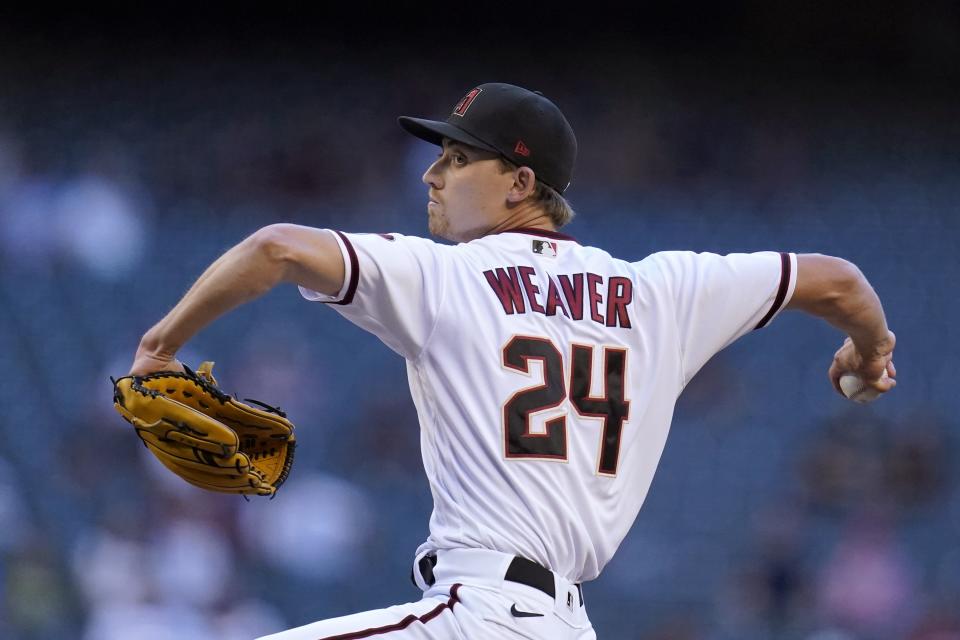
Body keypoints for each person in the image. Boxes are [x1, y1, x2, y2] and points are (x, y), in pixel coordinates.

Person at [128, 82, 897, 639]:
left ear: (520, 183)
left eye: (459, 159)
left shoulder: (446, 275)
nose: (432, 174)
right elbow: (836, 280)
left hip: (480, 615)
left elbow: (276, 247)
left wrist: (160, 345)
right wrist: (872, 351)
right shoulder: (660, 289)